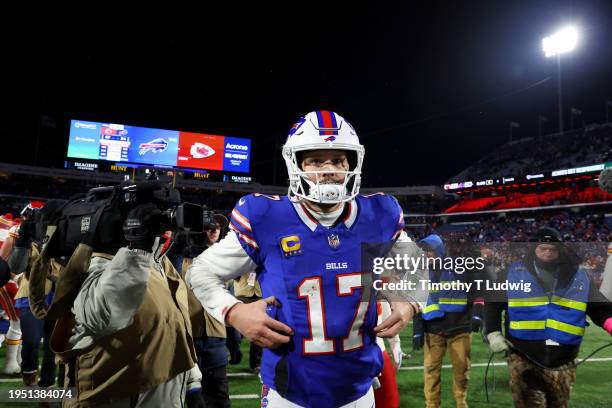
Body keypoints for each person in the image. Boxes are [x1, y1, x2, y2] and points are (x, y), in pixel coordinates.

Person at [188, 110, 427, 407]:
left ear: (351, 164)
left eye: (338, 160)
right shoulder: (265, 217)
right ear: (296, 164)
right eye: (315, 160)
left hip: (360, 391)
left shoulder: (378, 215)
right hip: (290, 392)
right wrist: (234, 312)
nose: (328, 170)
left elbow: (417, 266)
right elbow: (200, 272)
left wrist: (409, 302)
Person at [56, 202, 204, 407]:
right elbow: (101, 317)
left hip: (160, 390)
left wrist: (191, 381)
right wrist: (139, 247)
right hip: (111, 393)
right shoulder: (97, 263)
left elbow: (173, 330)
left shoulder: (162, 265)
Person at [485, 227, 612, 408]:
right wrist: (492, 332)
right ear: (534, 248)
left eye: (552, 249)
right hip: (523, 357)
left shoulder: (580, 277)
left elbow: (600, 308)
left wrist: (610, 323)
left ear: (560, 250)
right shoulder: (511, 273)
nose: (547, 253)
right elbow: (492, 303)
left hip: (563, 360)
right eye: (542, 248)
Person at [415, 234, 483, 408]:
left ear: (439, 250)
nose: (425, 254)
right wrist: (417, 329)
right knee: (430, 371)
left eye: (429, 251)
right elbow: (417, 302)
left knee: (461, 370)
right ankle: (431, 405)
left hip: (459, 328)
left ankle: (461, 403)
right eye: (423, 251)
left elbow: (478, 288)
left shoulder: (459, 266)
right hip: (433, 329)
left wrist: (477, 312)